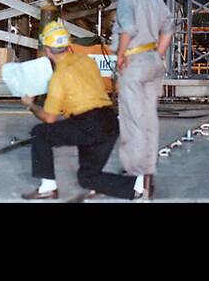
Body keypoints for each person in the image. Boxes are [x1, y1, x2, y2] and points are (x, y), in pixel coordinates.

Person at [20, 21, 139, 202]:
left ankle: (48, 188)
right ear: (68, 45)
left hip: (88, 123)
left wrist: (31, 105)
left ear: (47, 50)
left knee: (40, 133)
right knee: (87, 177)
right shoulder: (87, 61)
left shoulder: (59, 77)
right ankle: (138, 185)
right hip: (110, 122)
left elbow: (50, 118)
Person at [112, 0, 173, 200]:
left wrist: (120, 56)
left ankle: (137, 181)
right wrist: (157, 53)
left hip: (134, 62)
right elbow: (168, 27)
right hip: (152, 61)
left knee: (132, 121)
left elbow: (128, 28)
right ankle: (146, 175)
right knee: (148, 120)